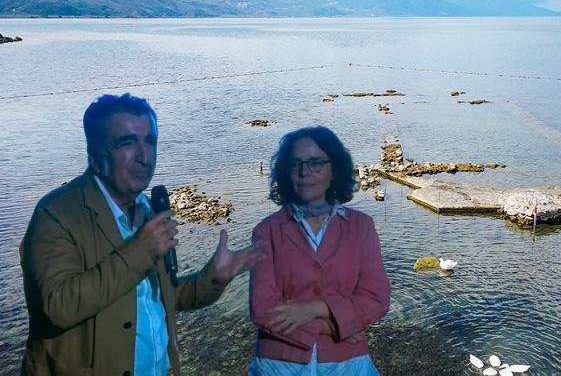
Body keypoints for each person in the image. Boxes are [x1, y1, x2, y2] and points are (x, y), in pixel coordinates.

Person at [19, 93, 263, 375]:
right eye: (127, 143)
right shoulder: (56, 213)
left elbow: (158, 298)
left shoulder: (145, 209)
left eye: (150, 141)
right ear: (95, 152)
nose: (144, 156)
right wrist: (141, 251)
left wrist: (214, 277)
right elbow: (57, 306)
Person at [248, 126, 391, 375]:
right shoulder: (266, 231)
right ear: (286, 171)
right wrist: (334, 326)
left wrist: (314, 309)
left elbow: (377, 298)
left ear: (333, 169)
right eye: (296, 164)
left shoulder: (361, 227)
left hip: (348, 365)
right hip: (278, 365)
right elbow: (262, 310)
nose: (304, 173)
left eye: (315, 163)